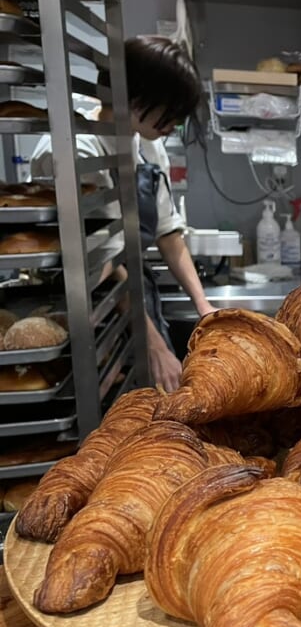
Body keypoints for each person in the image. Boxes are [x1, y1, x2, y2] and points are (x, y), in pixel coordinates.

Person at [30, 35, 214, 391]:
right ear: (135, 95)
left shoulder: (146, 144)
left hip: (137, 300)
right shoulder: (76, 150)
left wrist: (204, 307)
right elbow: (105, 259)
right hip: (92, 308)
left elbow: (168, 234)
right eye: (170, 109)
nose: (175, 123)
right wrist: (154, 347)